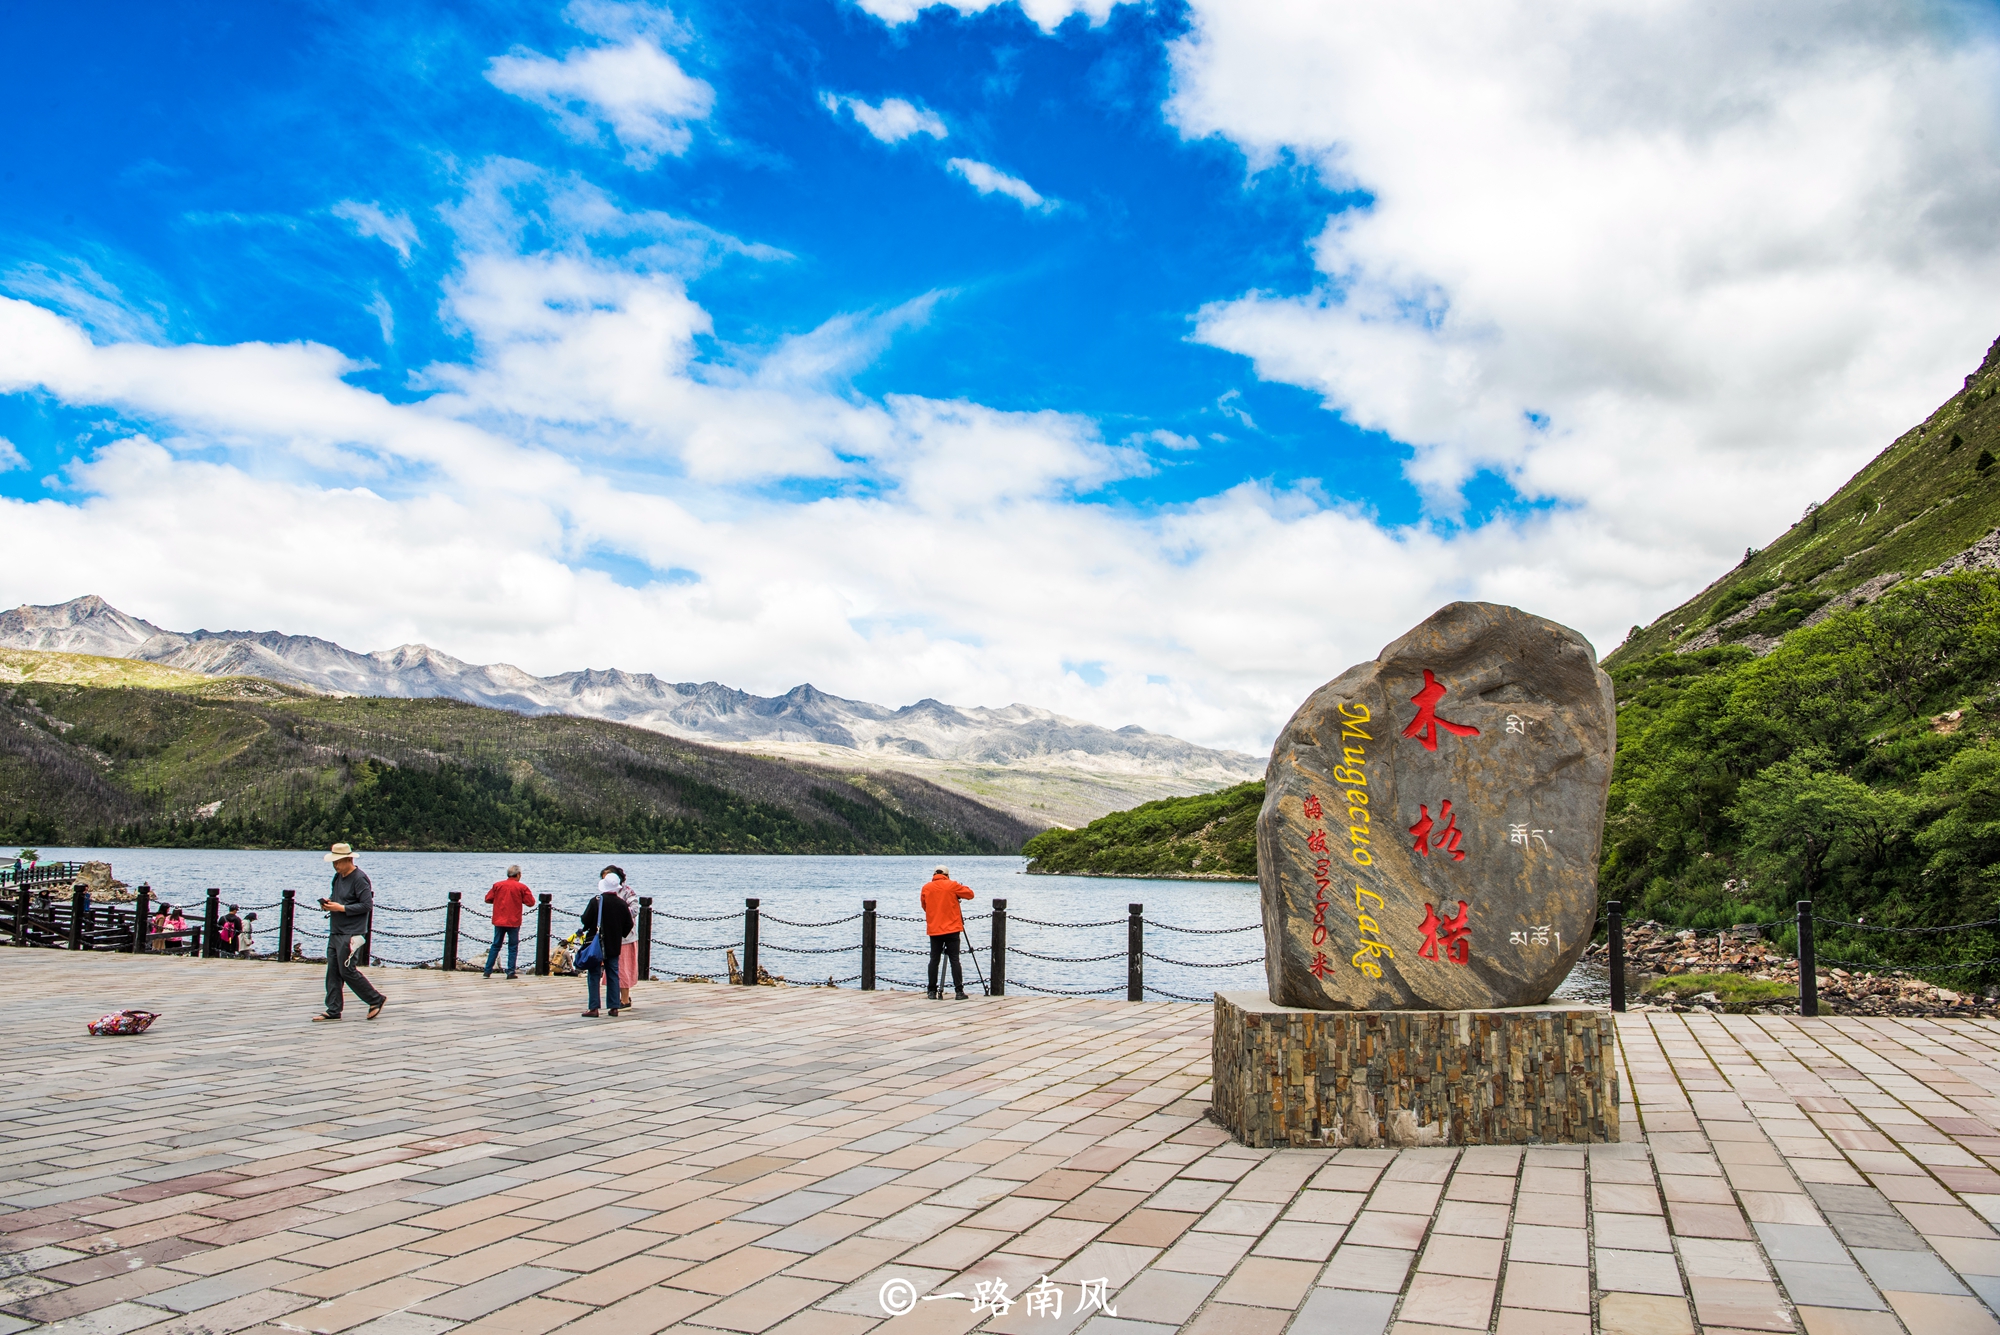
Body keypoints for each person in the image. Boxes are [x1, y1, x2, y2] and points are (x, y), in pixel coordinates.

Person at [313, 843, 386, 1022]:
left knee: (347, 969)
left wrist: (342, 908)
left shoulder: (360, 878)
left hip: (352, 932)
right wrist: (329, 904)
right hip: (336, 930)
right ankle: (333, 1008)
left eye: (338, 862)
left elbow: (367, 905)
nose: (335, 866)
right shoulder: (337, 878)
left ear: (348, 859)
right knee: (333, 971)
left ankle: (375, 999)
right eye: (333, 862)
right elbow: (338, 899)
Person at [578, 868, 632, 1018]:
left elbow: (585, 920)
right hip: (614, 943)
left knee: (594, 974)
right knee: (613, 973)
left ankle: (594, 1007)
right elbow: (629, 924)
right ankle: (614, 1006)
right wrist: (619, 934)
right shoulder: (621, 904)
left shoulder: (596, 901)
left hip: (596, 943)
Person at [922, 866, 975, 1000]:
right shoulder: (952, 885)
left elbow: (924, 906)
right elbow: (970, 894)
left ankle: (931, 991)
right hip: (952, 928)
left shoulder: (926, 887)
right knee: (955, 960)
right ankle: (958, 991)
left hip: (935, 929)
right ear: (947, 875)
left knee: (934, 960)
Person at [484, 865, 536, 979]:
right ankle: (511, 971)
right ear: (518, 875)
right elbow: (531, 902)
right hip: (513, 921)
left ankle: (487, 970)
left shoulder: (498, 885)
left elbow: (488, 899)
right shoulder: (521, 887)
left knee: (496, 945)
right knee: (513, 946)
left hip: (499, 920)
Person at [606, 866, 639, 1008]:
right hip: (609, 935)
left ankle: (625, 998)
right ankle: (614, 997)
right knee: (612, 968)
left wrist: (619, 914)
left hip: (625, 937)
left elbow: (635, 909)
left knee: (623, 967)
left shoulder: (627, 891)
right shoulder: (604, 892)